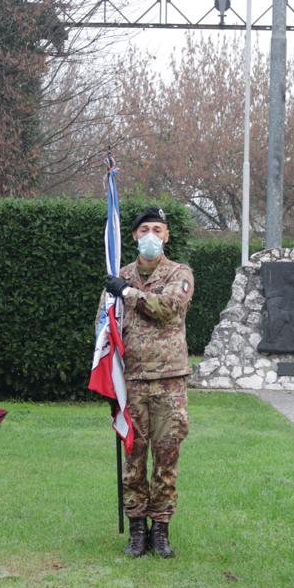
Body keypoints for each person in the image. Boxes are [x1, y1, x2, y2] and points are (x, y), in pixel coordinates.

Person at [104, 207, 194, 558]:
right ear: (134, 236)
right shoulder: (120, 275)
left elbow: (171, 307)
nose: (152, 235)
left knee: (167, 456)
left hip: (169, 380)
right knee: (134, 458)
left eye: (158, 229)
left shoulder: (179, 273)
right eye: (145, 229)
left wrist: (129, 294)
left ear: (167, 235)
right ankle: (138, 528)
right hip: (132, 380)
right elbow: (105, 326)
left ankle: (162, 528)